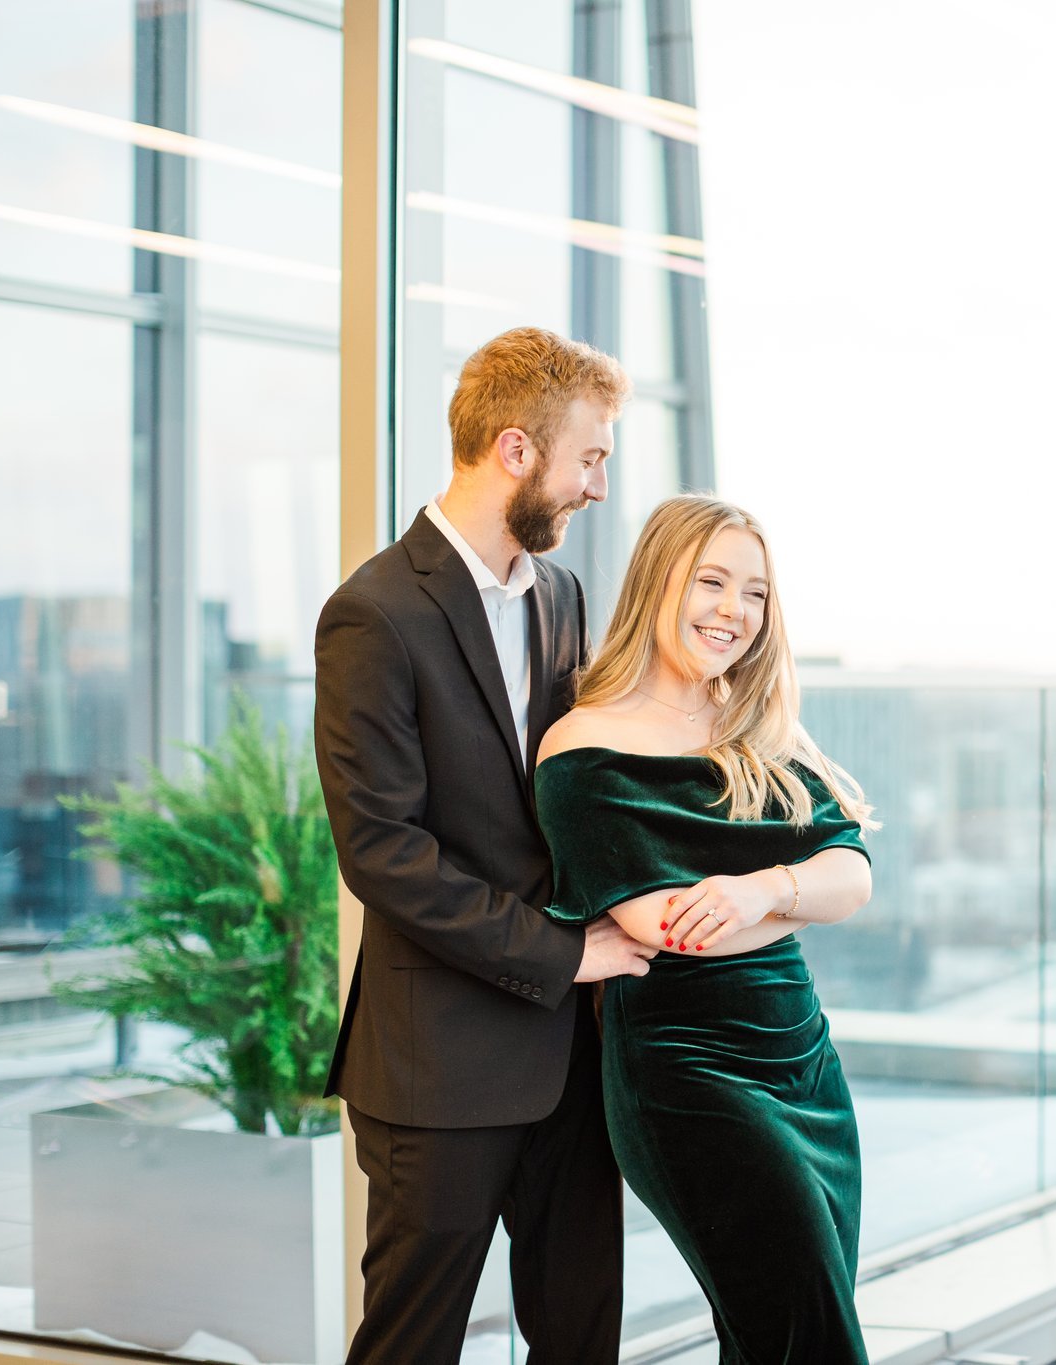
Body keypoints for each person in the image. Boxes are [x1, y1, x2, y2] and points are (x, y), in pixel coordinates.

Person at [314, 327, 657, 1365]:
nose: (597, 486)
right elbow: (381, 852)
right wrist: (564, 953)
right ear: (515, 451)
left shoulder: (561, 597)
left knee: (581, 1337)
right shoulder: (372, 613)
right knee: (410, 1349)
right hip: (439, 1070)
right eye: (588, 458)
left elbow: (570, 796)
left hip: (569, 1066)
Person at [535, 494, 878, 1364]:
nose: (734, 610)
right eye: (712, 582)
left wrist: (762, 889)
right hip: (689, 1076)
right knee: (810, 1337)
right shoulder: (584, 747)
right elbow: (672, 930)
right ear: (659, 582)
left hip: (805, 1065)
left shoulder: (759, 726)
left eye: (755, 592)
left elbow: (856, 876)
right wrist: (796, 894)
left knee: (779, 1332)